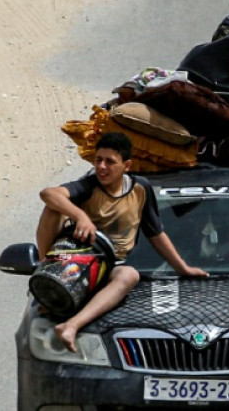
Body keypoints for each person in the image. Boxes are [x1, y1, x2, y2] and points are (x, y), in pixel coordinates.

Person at [36, 132, 208, 352]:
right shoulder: (88, 186)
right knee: (53, 208)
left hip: (108, 266)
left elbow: (155, 233)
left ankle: (71, 326)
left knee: (130, 275)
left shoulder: (140, 189)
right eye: (98, 160)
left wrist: (182, 268)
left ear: (126, 165)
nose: (102, 167)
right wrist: (81, 217)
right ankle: (45, 269)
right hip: (73, 260)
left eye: (110, 161)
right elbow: (48, 193)